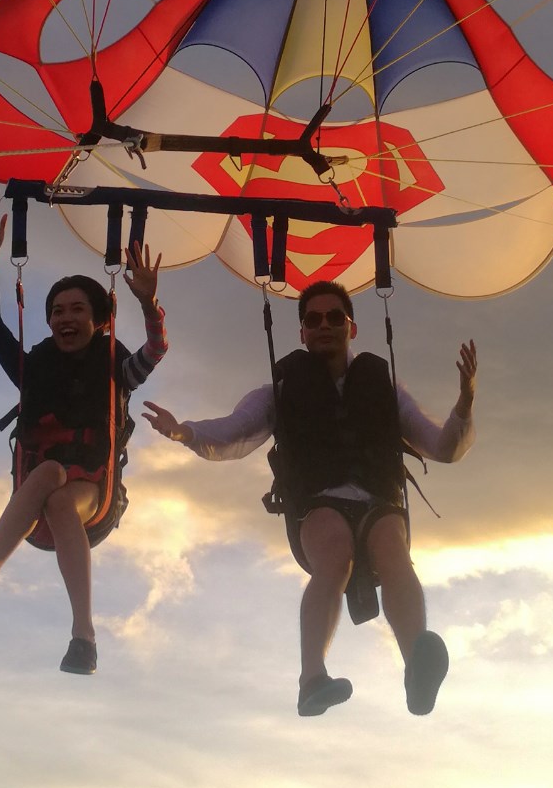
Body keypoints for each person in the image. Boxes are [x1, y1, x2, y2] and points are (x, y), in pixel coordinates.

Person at [144, 279, 476, 719]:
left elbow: (443, 446)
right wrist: (184, 431)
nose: (324, 326)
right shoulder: (280, 389)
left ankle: (417, 663)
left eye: (334, 317)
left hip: (380, 500)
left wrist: (465, 403)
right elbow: (234, 432)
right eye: (313, 320)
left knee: (392, 549)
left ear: (351, 328)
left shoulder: (384, 386)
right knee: (336, 554)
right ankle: (311, 678)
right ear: (301, 333)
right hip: (319, 504)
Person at [0, 198, 166, 675]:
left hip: (94, 494)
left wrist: (148, 305)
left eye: (78, 310)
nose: (65, 318)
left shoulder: (115, 366)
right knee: (49, 477)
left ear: (100, 320)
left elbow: (154, 350)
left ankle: (82, 635)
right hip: (39, 495)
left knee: (60, 492)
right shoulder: (35, 368)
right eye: (57, 311)